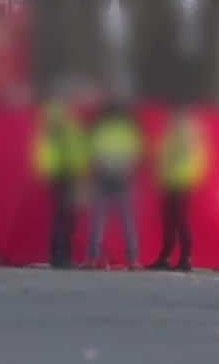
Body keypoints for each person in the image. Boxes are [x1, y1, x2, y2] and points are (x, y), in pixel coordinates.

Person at [85, 97, 144, 269]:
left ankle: (92, 258)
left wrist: (98, 168)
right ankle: (133, 260)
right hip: (123, 179)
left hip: (103, 177)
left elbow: (93, 154)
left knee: (98, 220)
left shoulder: (100, 129)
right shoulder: (129, 130)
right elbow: (136, 155)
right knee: (127, 221)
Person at [148, 109, 208, 272]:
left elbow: (190, 157)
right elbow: (165, 155)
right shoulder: (173, 131)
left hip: (181, 180)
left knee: (180, 220)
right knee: (169, 220)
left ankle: (185, 259)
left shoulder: (185, 131)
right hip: (169, 180)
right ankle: (166, 257)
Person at [32, 97, 87, 269]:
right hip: (64, 175)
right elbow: (71, 150)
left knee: (66, 217)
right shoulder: (60, 128)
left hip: (67, 175)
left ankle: (61, 254)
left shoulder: (60, 128)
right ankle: (61, 255)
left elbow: (76, 149)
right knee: (64, 217)